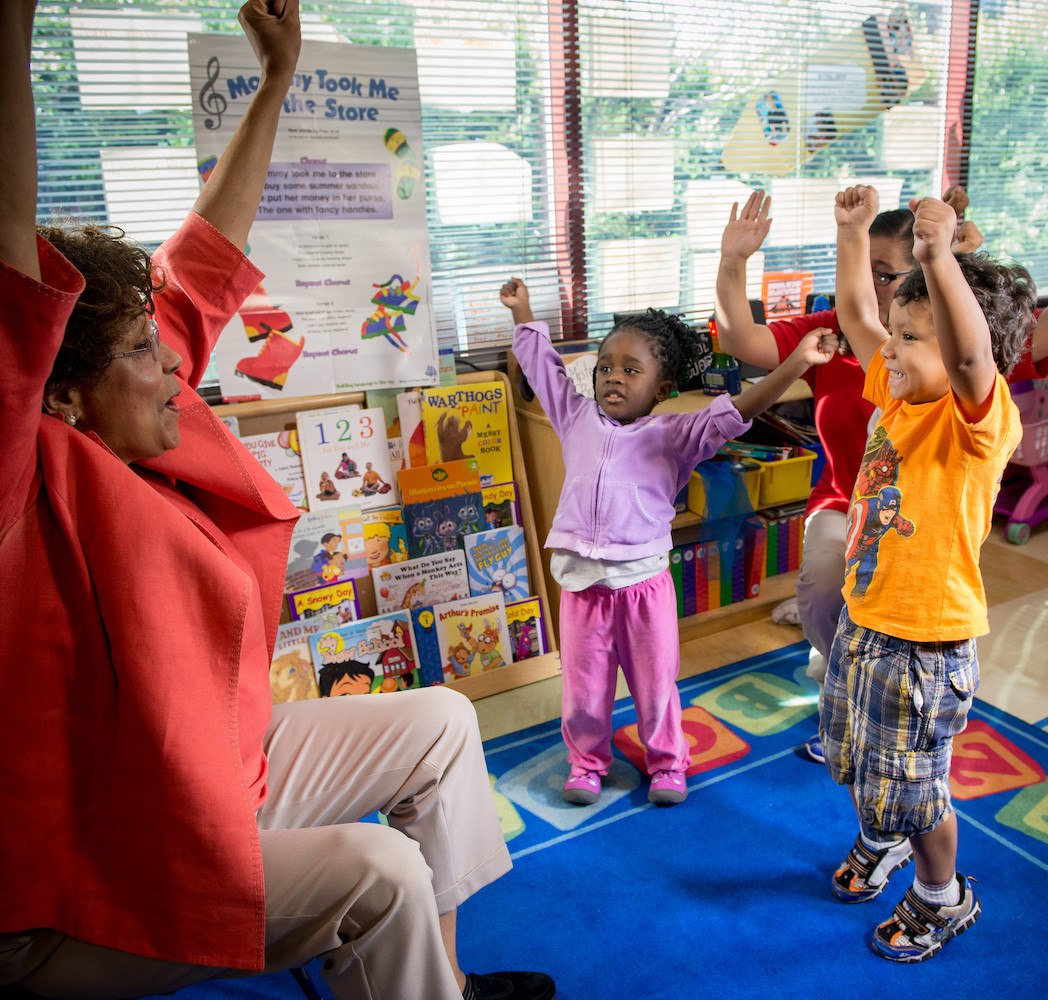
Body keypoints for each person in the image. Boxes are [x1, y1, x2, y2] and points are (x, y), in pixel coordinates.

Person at [0, 4, 554, 1000]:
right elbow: (7, 265)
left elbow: (207, 252)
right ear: (57, 388)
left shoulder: (134, 412)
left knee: (440, 721)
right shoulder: (19, 480)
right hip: (79, 881)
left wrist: (276, 80)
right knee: (379, 871)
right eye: (138, 351)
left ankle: (442, 985)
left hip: (208, 781)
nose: (174, 363)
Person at [501, 276, 839, 806]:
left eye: (631, 370)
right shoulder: (575, 418)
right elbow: (544, 374)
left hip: (643, 589)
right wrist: (524, 313)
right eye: (606, 367)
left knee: (656, 689)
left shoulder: (675, 436)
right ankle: (587, 762)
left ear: (661, 389)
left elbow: (740, 411)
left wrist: (795, 363)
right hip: (582, 591)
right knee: (583, 692)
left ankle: (666, 763)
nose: (613, 378)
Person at [822, 184, 1032, 962]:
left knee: (917, 791)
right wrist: (849, 236)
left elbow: (972, 354)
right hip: (865, 619)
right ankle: (882, 840)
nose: (891, 347)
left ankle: (943, 894)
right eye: (898, 332)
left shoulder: (978, 423)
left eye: (913, 337)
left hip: (925, 646)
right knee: (857, 757)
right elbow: (855, 319)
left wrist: (940, 257)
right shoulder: (901, 398)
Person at [715, 186, 991, 765]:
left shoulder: (947, 375)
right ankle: (837, 678)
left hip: (917, 534)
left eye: (887, 274)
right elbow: (763, 334)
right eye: (862, 272)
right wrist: (734, 260)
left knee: (911, 727)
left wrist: (948, 254)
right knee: (823, 586)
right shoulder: (859, 340)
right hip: (847, 501)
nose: (870, 287)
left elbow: (971, 351)